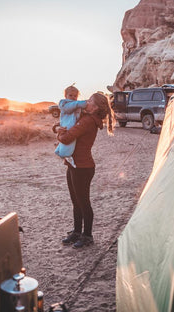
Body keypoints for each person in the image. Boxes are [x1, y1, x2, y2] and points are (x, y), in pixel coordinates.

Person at [55, 92, 115, 248]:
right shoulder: (84, 117)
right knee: (76, 202)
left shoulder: (88, 121)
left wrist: (59, 135)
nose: (85, 102)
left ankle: (87, 235)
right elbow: (66, 118)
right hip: (74, 164)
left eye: (89, 101)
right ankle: (76, 232)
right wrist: (57, 128)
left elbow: (67, 137)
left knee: (83, 203)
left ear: (95, 107)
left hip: (83, 167)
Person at [54, 85, 87, 168]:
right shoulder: (64, 103)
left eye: (75, 96)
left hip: (72, 128)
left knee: (68, 145)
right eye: (70, 95)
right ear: (66, 96)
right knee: (67, 147)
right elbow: (69, 108)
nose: (73, 97)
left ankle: (60, 152)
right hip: (66, 127)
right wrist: (83, 103)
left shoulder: (76, 106)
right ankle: (65, 155)